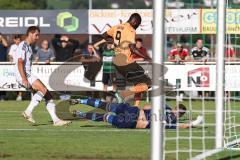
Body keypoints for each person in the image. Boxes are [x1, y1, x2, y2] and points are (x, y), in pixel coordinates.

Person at [14, 26, 71, 126]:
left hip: (27, 74)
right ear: (30, 33)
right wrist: (24, 78)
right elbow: (20, 62)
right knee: (44, 90)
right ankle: (29, 111)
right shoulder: (23, 45)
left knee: (47, 94)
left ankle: (55, 120)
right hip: (24, 74)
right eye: (36, 35)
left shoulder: (28, 47)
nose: (37, 37)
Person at [94, 13, 152, 103]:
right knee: (148, 83)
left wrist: (115, 43)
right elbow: (132, 48)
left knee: (139, 85)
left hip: (117, 62)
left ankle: (136, 108)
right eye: (137, 24)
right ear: (135, 21)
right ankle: (122, 94)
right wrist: (147, 57)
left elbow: (104, 35)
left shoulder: (117, 26)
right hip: (126, 62)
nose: (137, 27)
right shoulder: (130, 30)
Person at [69, 98, 203, 129]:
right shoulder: (171, 121)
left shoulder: (166, 110)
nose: (176, 114)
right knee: (105, 116)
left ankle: (81, 101)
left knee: (106, 107)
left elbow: (146, 106)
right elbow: (180, 126)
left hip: (134, 114)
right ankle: (80, 114)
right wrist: (193, 123)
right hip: (133, 120)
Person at [8, 35, 23, 101]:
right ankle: (17, 95)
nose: (18, 41)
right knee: (14, 80)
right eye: (17, 40)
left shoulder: (22, 46)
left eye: (19, 40)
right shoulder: (12, 46)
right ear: (14, 40)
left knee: (21, 80)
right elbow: (10, 55)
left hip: (20, 66)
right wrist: (11, 59)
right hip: (14, 66)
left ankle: (20, 96)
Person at [0, 33, 9, 101]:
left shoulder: (3, 44)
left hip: (2, 66)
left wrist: (1, 37)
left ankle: (2, 96)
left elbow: (6, 44)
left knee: (3, 81)